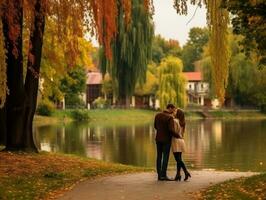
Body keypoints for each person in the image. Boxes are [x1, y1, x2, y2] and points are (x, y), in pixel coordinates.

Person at [154, 103, 181, 181]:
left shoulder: (157, 115)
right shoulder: (170, 118)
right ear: (170, 108)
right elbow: (171, 130)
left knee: (159, 156)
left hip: (158, 139)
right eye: (173, 109)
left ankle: (159, 175)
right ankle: (163, 175)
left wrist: (160, 130)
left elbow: (155, 126)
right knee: (165, 157)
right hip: (166, 140)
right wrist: (178, 136)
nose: (174, 111)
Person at [171, 108, 191, 181]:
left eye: (175, 111)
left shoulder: (175, 121)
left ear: (178, 113)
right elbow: (182, 133)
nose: (174, 111)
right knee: (179, 159)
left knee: (178, 159)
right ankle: (178, 174)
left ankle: (186, 172)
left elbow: (174, 131)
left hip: (176, 140)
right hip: (181, 140)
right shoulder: (183, 122)